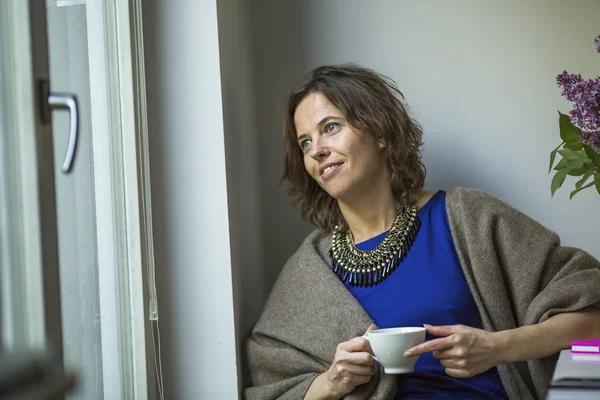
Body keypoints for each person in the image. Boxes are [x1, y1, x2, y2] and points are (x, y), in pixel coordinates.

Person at [244, 64, 600, 400]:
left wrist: (498, 347)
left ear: (380, 132)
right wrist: (330, 382)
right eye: (305, 143)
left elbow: (593, 315)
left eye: (331, 127)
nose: (317, 150)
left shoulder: (467, 217)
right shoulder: (311, 267)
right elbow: (271, 385)